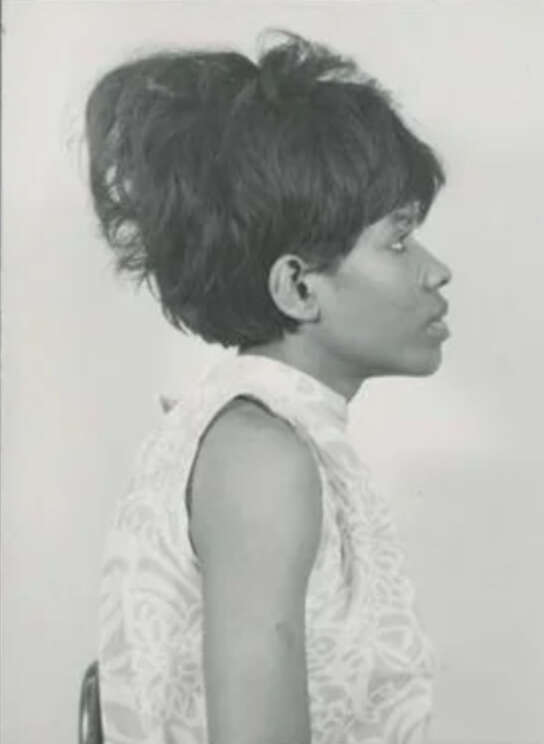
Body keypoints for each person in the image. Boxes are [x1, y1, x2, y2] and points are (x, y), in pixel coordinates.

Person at [89, 31, 451, 743]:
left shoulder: (267, 435)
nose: (436, 271)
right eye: (399, 240)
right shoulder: (261, 453)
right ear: (297, 286)